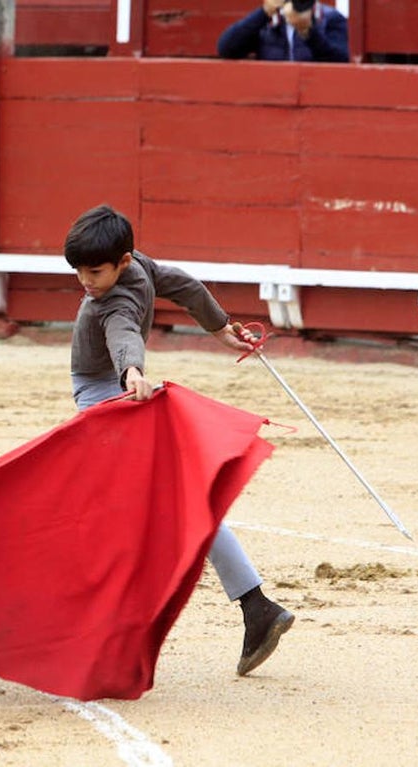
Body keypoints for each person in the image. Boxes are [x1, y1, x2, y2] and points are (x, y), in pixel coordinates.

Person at [64, 203, 294, 676]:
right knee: (182, 500)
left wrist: (132, 371)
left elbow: (123, 330)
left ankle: (94, 629)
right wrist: (219, 327)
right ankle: (255, 604)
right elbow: (184, 285)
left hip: (107, 398)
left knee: (105, 511)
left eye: (94, 271)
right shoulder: (140, 267)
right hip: (122, 391)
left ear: (122, 261)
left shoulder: (115, 299)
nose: (85, 281)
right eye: (80, 272)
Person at [217, 0, 349, 63]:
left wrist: (308, 32)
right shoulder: (266, 21)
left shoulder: (331, 18)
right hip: (271, 94)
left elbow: (340, 61)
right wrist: (263, 12)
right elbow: (227, 49)